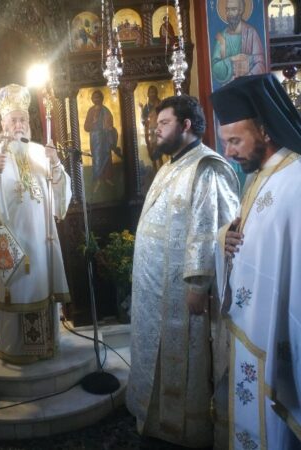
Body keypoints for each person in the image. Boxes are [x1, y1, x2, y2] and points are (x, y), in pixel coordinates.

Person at [126, 94, 240, 448]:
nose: (156, 130)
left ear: (186, 125)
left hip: (182, 289)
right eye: (156, 124)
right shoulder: (169, 165)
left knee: (186, 359)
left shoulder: (206, 167)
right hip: (155, 287)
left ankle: (186, 431)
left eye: (164, 123)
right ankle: (156, 418)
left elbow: (211, 228)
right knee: (154, 350)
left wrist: (198, 284)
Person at [211, 73, 301, 449]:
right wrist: (225, 237)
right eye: (225, 142)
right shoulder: (258, 174)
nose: (229, 152)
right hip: (249, 333)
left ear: (264, 129)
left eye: (235, 141)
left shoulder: (296, 180)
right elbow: (250, 234)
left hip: (277, 335)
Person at [0, 83, 72, 364]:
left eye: (23, 119)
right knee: (18, 289)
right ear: (3, 123)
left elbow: (61, 193)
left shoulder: (42, 152)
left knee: (42, 285)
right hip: (15, 239)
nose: (19, 124)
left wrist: (56, 164)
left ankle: (45, 345)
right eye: (14, 120)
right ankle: (15, 349)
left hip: (43, 238)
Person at [211, 0, 266, 85]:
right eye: (227, 9)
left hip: (248, 86)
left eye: (233, 9)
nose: (229, 13)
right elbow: (215, 67)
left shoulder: (251, 33)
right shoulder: (221, 37)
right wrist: (232, 59)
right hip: (227, 88)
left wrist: (248, 76)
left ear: (241, 11)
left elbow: (261, 63)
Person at [83, 89, 118, 191]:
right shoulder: (91, 111)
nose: (96, 99)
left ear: (102, 98)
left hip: (106, 138)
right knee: (97, 158)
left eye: (98, 97)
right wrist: (93, 122)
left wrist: (109, 127)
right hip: (95, 139)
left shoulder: (106, 111)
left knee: (107, 157)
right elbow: (86, 127)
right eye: (94, 97)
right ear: (92, 99)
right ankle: (97, 180)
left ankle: (107, 178)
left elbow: (110, 125)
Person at [140, 85, 164, 172]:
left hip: (160, 130)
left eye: (153, 92)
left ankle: (162, 170)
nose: (152, 94)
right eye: (150, 92)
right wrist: (145, 119)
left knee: (159, 152)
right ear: (148, 94)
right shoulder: (146, 107)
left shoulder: (160, 104)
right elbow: (143, 120)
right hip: (150, 132)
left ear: (156, 93)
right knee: (152, 152)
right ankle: (154, 171)